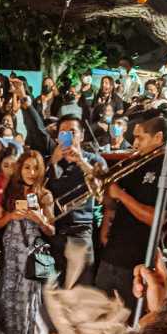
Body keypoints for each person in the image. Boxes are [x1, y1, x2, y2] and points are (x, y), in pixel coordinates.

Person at [96, 115, 167, 307]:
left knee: (127, 325)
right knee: (99, 318)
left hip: (137, 263)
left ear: (158, 137)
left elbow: (156, 219)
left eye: (140, 137)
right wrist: (103, 192)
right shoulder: (135, 163)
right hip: (112, 253)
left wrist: (120, 194)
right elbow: (112, 203)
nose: (135, 143)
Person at [0, 149, 55, 334]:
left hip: (33, 254)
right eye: (27, 167)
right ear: (20, 169)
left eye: (35, 168)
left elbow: (51, 230)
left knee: (29, 300)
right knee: (6, 296)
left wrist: (40, 219)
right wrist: (12, 216)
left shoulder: (45, 194)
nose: (31, 172)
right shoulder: (10, 192)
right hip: (11, 253)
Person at [46, 113, 105, 284]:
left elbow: (101, 189)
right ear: (57, 137)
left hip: (80, 233)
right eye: (63, 132)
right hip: (53, 232)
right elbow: (38, 189)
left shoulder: (94, 160)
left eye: (73, 132)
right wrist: (53, 163)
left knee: (80, 289)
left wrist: (80, 161)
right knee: (53, 290)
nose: (68, 136)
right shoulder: (50, 160)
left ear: (82, 135)